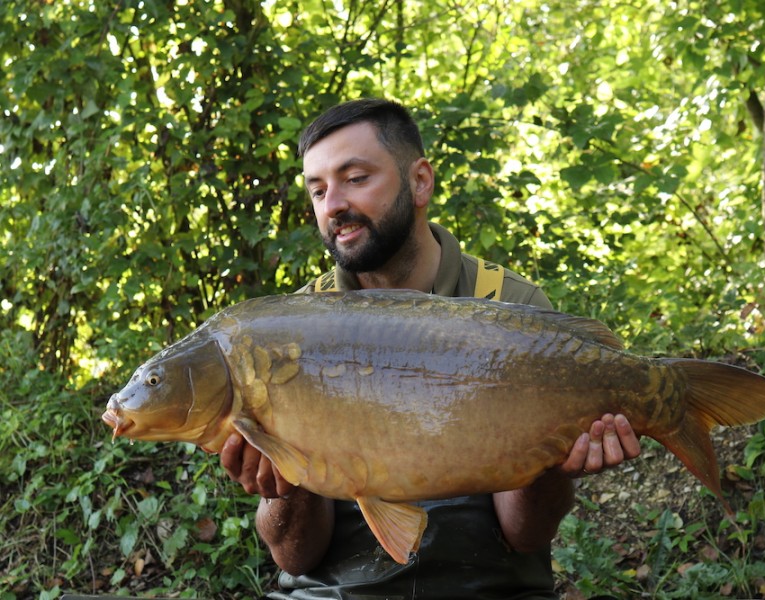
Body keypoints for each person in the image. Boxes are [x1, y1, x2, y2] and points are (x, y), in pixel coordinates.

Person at [220, 98, 642, 599]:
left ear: (420, 181)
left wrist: (551, 460)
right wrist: (284, 486)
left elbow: (525, 535)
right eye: (318, 190)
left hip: (489, 584)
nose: (332, 204)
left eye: (355, 178)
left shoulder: (510, 306)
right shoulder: (289, 332)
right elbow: (294, 556)